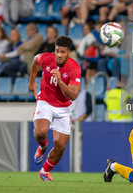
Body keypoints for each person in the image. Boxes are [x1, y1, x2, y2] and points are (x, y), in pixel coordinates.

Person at [28, 36, 81, 182]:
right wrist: (32, 81)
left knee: (60, 146)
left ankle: (44, 171)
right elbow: (35, 60)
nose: (59, 54)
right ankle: (43, 145)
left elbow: (73, 95)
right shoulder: (46, 58)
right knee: (40, 132)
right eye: (57, 50)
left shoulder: (74, 68)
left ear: (69, 52)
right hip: (45, 100)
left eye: (63, 52)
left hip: (63, 108)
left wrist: (60, 82)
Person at [77, 21, 103, 87]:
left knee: (92, 72)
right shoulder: (86, 37)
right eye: (84, 29)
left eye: (86, 29)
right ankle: (88, 87)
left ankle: (91, 87)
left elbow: (96, 43)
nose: (85, 31)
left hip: (94, 58)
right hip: (88, 57)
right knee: (88, 72)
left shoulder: (94, 35)